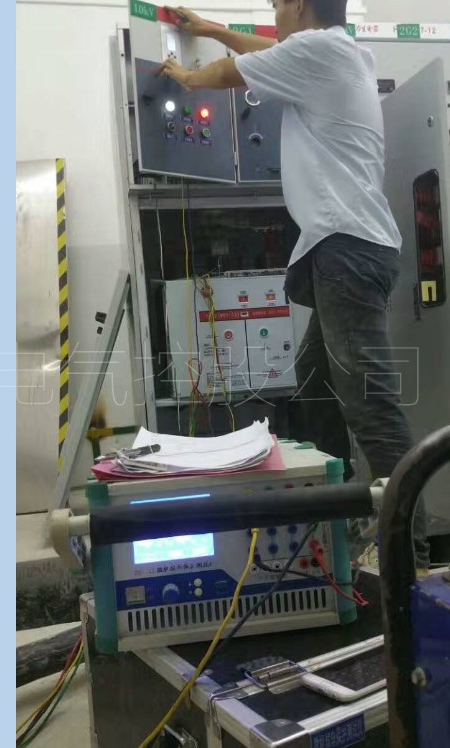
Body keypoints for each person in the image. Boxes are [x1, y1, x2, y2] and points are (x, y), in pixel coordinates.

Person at [158, 1, 430, 572]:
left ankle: (410, 557)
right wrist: (209, 28)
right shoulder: (342, 52)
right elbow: (266, 51)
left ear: (301, 4)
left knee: (369, 403)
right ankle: (345, 519)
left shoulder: (319, 51)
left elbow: (231, 72)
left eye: (279, 3)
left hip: (346, 249)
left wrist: (185, 76)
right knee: (314, 382)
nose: (275, 12)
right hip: (352, 247)